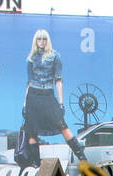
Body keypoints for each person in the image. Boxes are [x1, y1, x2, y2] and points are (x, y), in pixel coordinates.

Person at [22, 29, 86, 164]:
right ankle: (36, 165)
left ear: (48, 40)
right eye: (39, 39)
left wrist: (61, 102)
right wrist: (24, 105)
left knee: (62, 126)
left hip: (48, 96)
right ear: (35, 41)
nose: (41, 42)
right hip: (32, 97)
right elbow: (29, 82)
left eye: (44, 39)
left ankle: (83, 159)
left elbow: (58, 80)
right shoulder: (31, 58)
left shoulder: (55, 56)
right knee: (32, 132)